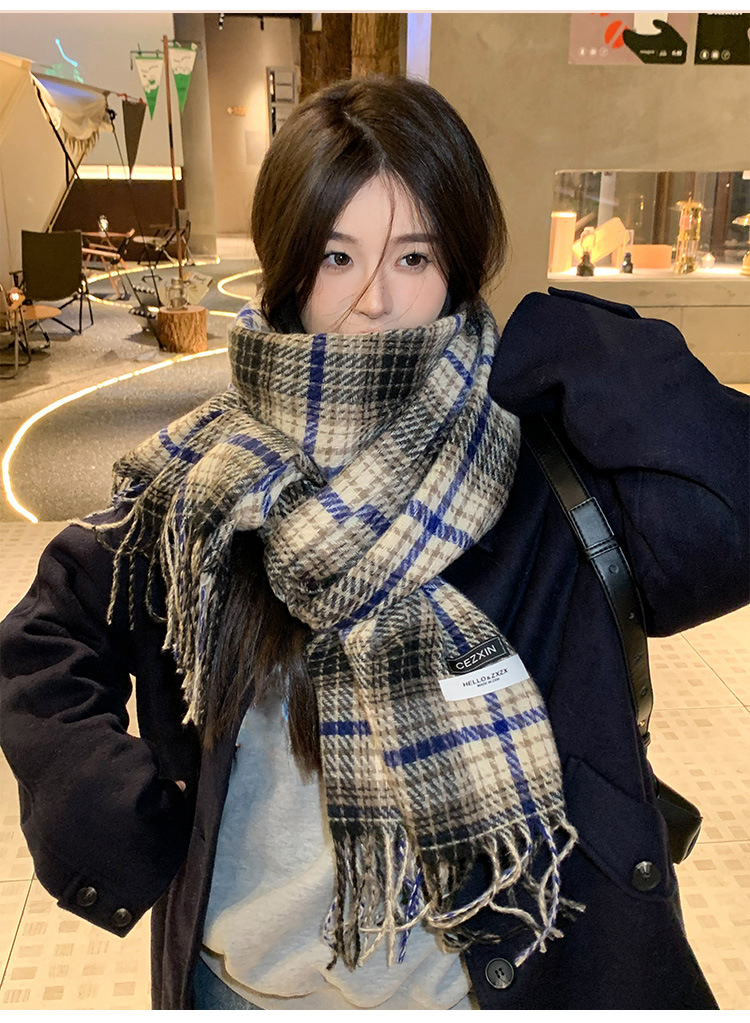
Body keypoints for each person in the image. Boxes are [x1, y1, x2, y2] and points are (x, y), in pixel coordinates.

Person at [0, 76, 747, 1011]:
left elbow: (729, 515)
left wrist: (579, 346)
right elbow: (44, 637)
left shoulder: (537, 471)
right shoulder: (206, 480)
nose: (375, 300)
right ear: (288, 268)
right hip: (244, 990)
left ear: (459, 262)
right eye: (336, 255)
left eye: (414, 255)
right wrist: (103, 801)